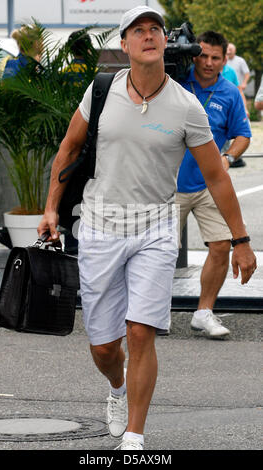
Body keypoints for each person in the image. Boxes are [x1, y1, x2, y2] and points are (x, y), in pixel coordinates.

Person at [38, 7, 256, 450]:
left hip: (155, 226)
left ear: (163, 40)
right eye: (138, 30)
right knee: (103, 346)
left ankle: (135, 436)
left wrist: (242, 240)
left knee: (141, 331)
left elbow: (217, 176)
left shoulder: (186, 105)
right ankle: (118, 388)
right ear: (125, 45)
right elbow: (69, 147)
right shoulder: (100, 91)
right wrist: (50, 210)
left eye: (154, 28)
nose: (149, 35)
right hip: (100, 226)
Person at [176, 31, 253, 339]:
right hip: (170, 184)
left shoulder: (231, 92)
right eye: (203, 56)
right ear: (195, 55)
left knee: (221, 245)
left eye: (215, 58)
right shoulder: (177, 83)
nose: (208, 63)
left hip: (210, 185)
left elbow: (243, 135)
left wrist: (229, 158)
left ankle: (203, 313)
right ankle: (151, 314)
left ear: (225, 59)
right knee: (161, 251)